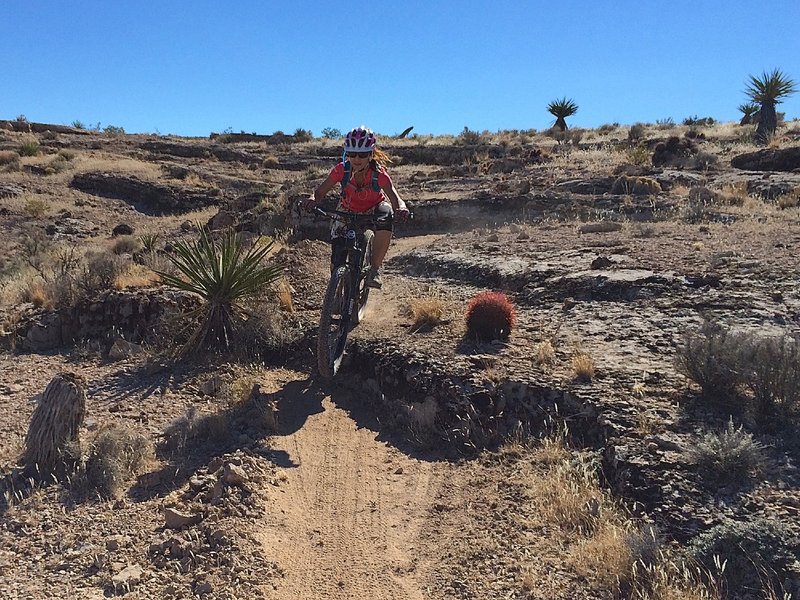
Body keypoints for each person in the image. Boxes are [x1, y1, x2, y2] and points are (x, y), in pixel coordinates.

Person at [302, 126, 410, 289]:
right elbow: (319, 192)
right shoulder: (341, 170)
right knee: (337, 258)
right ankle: (336, 293)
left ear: (371, 154)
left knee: (386, 213)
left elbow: (396, 199)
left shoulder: (379, 175)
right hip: (347, 210)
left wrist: (402, 208)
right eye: (352, 154)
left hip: (373, 210)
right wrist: (311, 200)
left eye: (362, 154)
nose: (356, 159)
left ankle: (374, 269)